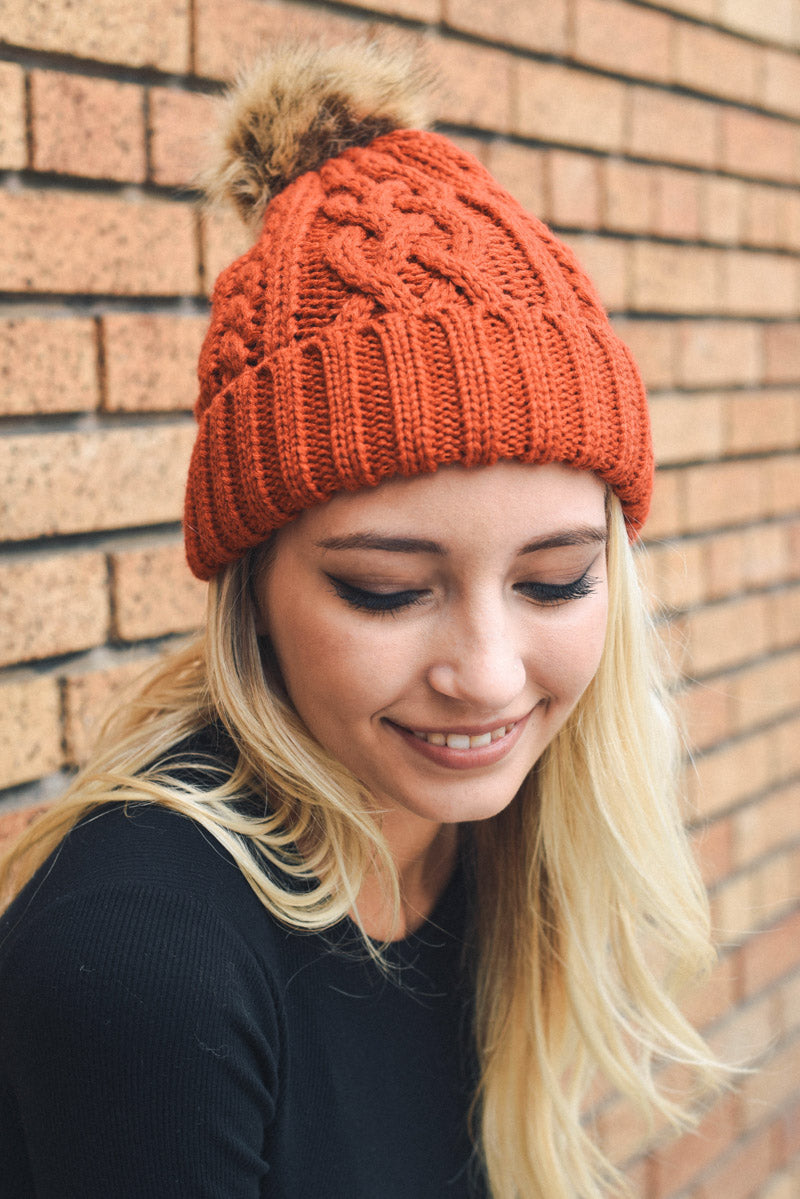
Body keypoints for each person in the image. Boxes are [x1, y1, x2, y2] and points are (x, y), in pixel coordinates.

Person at [0, 40, 725, 1199]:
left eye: (551, 580)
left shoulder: (474, 838)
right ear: (255, 589)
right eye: (387, 590)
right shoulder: (146, 958)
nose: (486, 677)